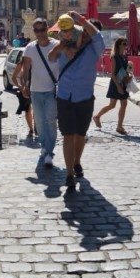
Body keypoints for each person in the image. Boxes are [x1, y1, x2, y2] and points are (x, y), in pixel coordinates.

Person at [48, 13, 105, 190]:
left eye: (88, 31)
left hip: (85, 97)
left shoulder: (96, 49)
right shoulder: (66, 43)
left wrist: (81, 19)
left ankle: (77, 161)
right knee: (67, 135)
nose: (85, 34)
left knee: (80, 134)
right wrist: (61, 48)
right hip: (65, 96)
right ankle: (69, 174)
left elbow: (98, 36)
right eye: (83, 31)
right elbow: (51, 57)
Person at [21, 18, 59, 168]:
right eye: (36, 30)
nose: (40, 33)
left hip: (51, 90)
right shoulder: (30, 48)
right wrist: (24, 85)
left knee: (50, 121)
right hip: (35, 90)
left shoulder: (56, 45)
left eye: (42, 30)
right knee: (40, 123)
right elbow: (26, 69)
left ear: (47, 29)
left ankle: (49, 152)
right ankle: (44, 145)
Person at [93, 37, 132, 134]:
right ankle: (97, 116)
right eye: (124, 44)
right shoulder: (114, 57)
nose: (125, 46)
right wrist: (118, 86)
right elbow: (113, 74)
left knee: (124, 103)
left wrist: (129, 75)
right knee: (112, 105)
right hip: (116, 83)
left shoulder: (125, 57)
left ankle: (119, 126)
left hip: (123, 82)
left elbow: (125, 71)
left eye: (126, 44)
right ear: (118, 45)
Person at [12, 52, 35, 136]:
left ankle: (36, 128)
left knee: (36, 110)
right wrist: (21, 88)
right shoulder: (21, 63)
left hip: (36, 88)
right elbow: (14, 78)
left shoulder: (36, 62)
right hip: (25, 89)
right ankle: (31, 129)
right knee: (28, 109)